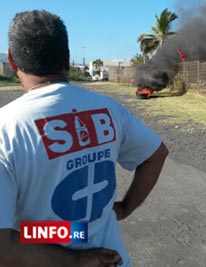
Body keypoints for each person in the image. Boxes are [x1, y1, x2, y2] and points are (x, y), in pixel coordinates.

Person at [0, 9, 168, 267]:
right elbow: (156, 154)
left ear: (11, 61)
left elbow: (5, 248)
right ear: (67, 59)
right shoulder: (108, 109)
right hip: (114, 259)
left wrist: (75, 258)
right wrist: (123, 208)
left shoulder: (6, 128)